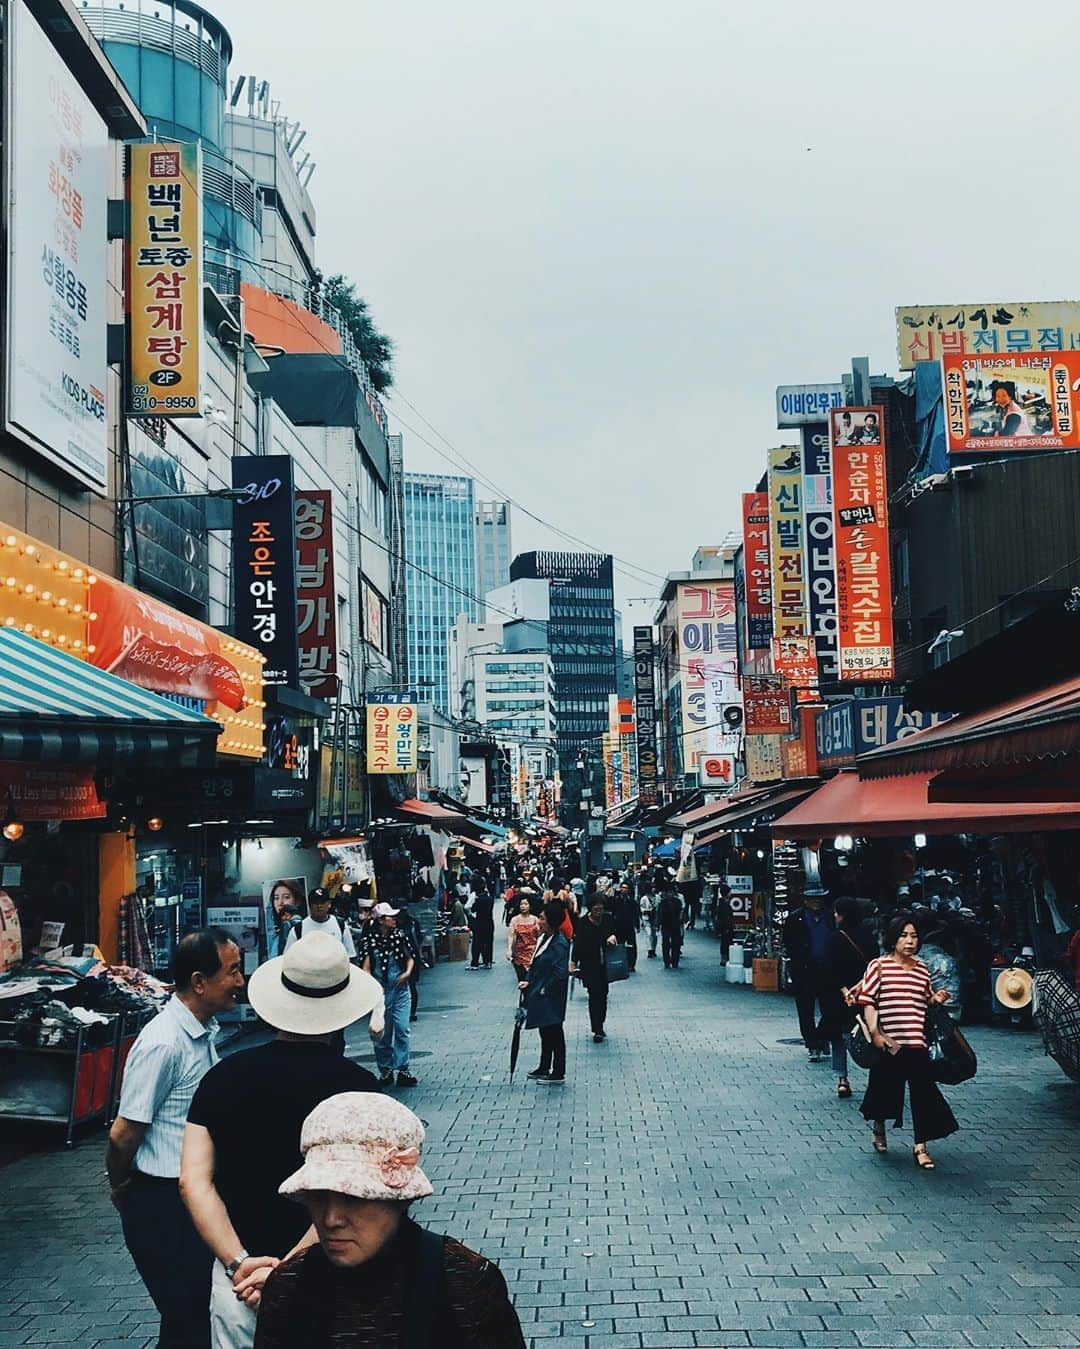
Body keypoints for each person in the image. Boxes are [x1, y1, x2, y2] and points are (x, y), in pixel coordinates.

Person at [180, 934, 383, 1348]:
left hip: (240, 1281)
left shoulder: (222, 1078)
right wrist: (286, 1270)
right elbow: (356, 1192)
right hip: (329, 1275)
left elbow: (192, 1181)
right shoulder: (360, 1090)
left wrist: (239, 1262)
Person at [251, 1093, 525, 1347]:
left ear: (401, 1199)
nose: (331, 1219)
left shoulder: (465, 1281)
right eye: (318, 1196)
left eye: (355, 1197)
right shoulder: (287, 1286)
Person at [107, 929, 245, 1348]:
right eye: (233, 971)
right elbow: (123, 1134)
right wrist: (120, 1185)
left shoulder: (202, 1031)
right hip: (164, 1205)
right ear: (200, 982)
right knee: (188, 1318)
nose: (241, 981)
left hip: (191, 1198)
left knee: (192, 1319)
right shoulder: (164, 1044)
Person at [856, 912, 957, 1169]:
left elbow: (926, 1000)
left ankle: (920, 1145)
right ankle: (879, 1128)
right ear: (892, 939)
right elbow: (867, 1002)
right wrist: (876, 1033)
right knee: (883, 1089)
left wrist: (938, 998)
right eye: (903, 936)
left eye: (913, 936)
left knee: (923, 1094)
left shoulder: (922, 968)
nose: (910, 941)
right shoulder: (878, 966)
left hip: (916, 1043)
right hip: (889, 1043)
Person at [820, 897, 877, 1100]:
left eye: (837, 912)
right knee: (869, 1033)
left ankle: (842, 1080)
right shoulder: (868, 937)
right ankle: (875, 1077)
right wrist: (861, 987)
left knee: (839, 1037)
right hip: (865, 994)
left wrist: (845, 990)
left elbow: (828, 968)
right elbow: (875, 967)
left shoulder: (835, 938)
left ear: (842, 915)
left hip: (840, 997)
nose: (834, 916)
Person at [360, 903, 417, 1089]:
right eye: (389, 917)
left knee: (402, 1028)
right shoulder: (369, 941)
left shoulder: (400, 936)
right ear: (381, 921)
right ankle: (385, 1069)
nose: (394, 919)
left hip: (400, 989)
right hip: (380, 992)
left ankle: (402, 1069)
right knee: (382, 1033)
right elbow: (366, 968)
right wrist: (372, 987)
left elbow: (410, 958)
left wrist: (407, 973)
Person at [521, 902, 571, 1085]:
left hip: (551, 995)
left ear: (551, 922)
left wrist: (545, 988)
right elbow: (534, 963)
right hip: (540, 991)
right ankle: (544, 1066)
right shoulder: (544, 939)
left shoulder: (559, 943)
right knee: (545, 1030)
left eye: (542, 918)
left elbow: (560, 972)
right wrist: (528, 979)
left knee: (554, 1032)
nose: (538, 922)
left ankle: (558, 1071)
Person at [783, 886, 833, 1062]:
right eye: (812, 899)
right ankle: (812, 1044)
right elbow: (788, 944)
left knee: (831, 1009)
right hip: (804, 970)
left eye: (819, 898)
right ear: (805, 900)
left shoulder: (830, 917)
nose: (816, 902)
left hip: (827, 970)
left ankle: (822, 1037)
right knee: (805, 1011)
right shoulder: (794, 918)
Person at [571, 899, 618, 1042]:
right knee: (593, 995)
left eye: (601, 909)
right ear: (590, 909)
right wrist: (573, 962)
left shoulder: (607, 920)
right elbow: (578, 944)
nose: (599, 912)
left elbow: (616, 932)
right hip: (589, 964)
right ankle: (596, 1028)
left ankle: (600, 1022)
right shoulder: (583, 922)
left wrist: (613, 936)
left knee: (603, 995)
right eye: (596, 909)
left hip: (605, 965)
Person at [285, 887, 357, 960]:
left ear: (329, 904)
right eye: (315, 903)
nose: (319, 906)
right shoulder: (298, 929)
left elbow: (351, 956)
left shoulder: (341, 925)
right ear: (309, 905)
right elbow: (288, 958)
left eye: (322, 902)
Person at [265, 880, 305, 959]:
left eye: (286, 897)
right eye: (276, 898)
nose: (280, 903)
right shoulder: (272, 932)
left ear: (297, 901)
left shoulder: (301, 927)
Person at [506, 893, 541, 983]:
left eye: (526, 904)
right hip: (519, 954)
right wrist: (509, 950)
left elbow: (540, 936)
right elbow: (511, 935)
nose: (523, 906)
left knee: (532, 981)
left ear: (530, 906)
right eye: (521, 904)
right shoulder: (515, 920)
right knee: (521, 980)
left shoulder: (535, 920)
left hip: (533, 954)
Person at [610, 882, 640, 973]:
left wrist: (637, 925)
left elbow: (636, 914)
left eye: (626, 888)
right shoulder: (615, 900)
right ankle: (619, 963)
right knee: (619, 946)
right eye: (622, 888)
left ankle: (631, 964)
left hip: (629, 926)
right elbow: (612, 913)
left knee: (631, 946)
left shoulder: (632, 902)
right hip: (618, 927)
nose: (624, 890)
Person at [467, 883, 495, 970]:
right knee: (489, 943)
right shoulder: (491, 899)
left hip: (479, 923)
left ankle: (474, 963)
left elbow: (473, 909)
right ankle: (488, 962)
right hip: (489, 923)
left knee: (477, 943)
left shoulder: (478, 900)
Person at [657, 884, 685, 969]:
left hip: (675, 925)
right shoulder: (662, 902)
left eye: (671, 892)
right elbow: (660, 914)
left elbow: (681, 913)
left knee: (676, 943)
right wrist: (658, 924)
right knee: (665, 943)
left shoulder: (677, 902)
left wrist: (681, 922)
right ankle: (666, 961)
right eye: (668, 892)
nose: (669, 894)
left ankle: (675, 961)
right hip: (665, 925)